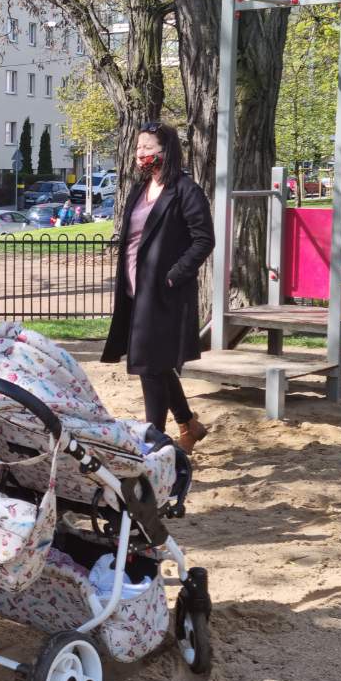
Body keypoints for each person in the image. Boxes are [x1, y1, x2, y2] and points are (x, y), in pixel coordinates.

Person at [100, 122, 215, 453]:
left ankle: (156, 443)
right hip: (136, 289)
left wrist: (174, 274)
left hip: (165, 293)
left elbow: (204, 239)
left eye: (148, 147)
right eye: (138, 148)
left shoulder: (184, 190)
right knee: (158, 365)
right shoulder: (140, 189)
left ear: (166, 152)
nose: (140, 153)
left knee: (148, 366)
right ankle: (188, 424)